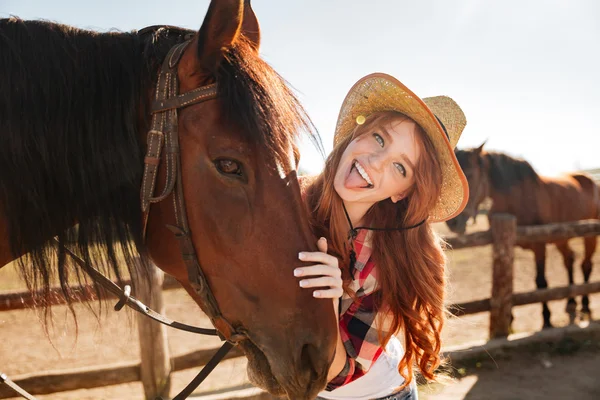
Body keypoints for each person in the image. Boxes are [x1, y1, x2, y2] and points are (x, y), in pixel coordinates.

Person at [294, 73, 469, 400]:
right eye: (378, 138)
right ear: (359, 132)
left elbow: (340, 375)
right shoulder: (290, 203)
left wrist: (329, 304)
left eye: (399, 168)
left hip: (377, 395)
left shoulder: (388, 261)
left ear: (401, 193)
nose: (374, 162)